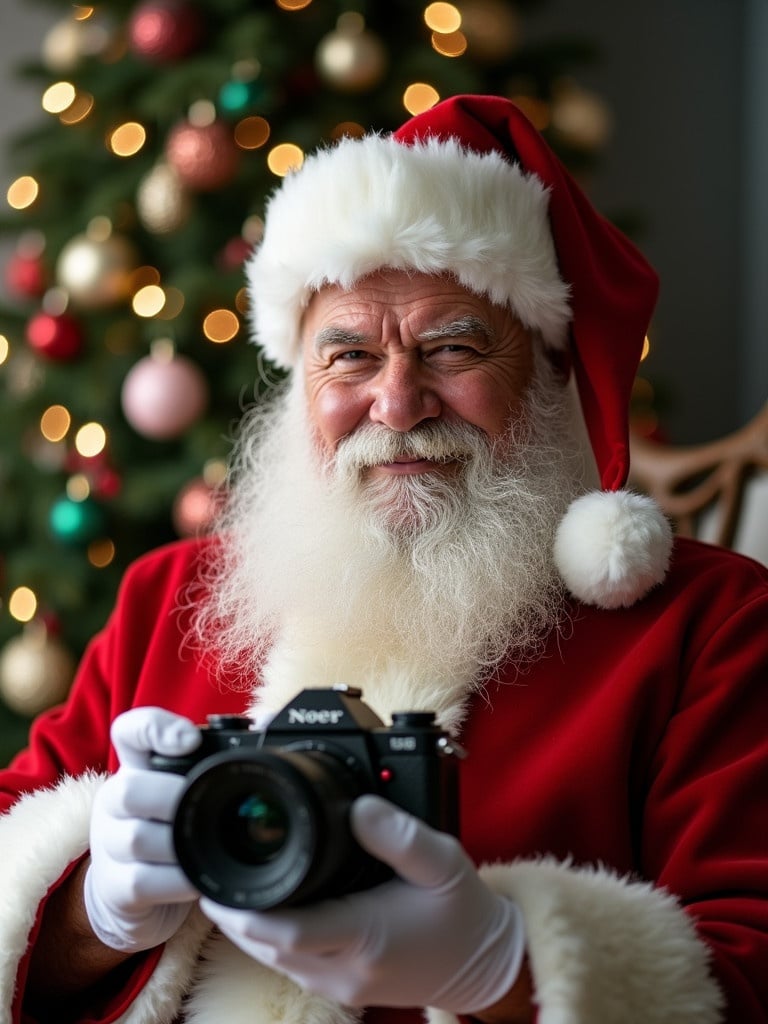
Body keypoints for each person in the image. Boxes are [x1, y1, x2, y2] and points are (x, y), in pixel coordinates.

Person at [1, 94, 766, 1024]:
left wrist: (505, 967)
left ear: (550, 372)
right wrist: (88, 914)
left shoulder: (712, 624)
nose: (397, 403)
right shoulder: (168, 596)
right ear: (300, 388)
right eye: (350, 356)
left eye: (452, 348)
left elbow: (752, 970)